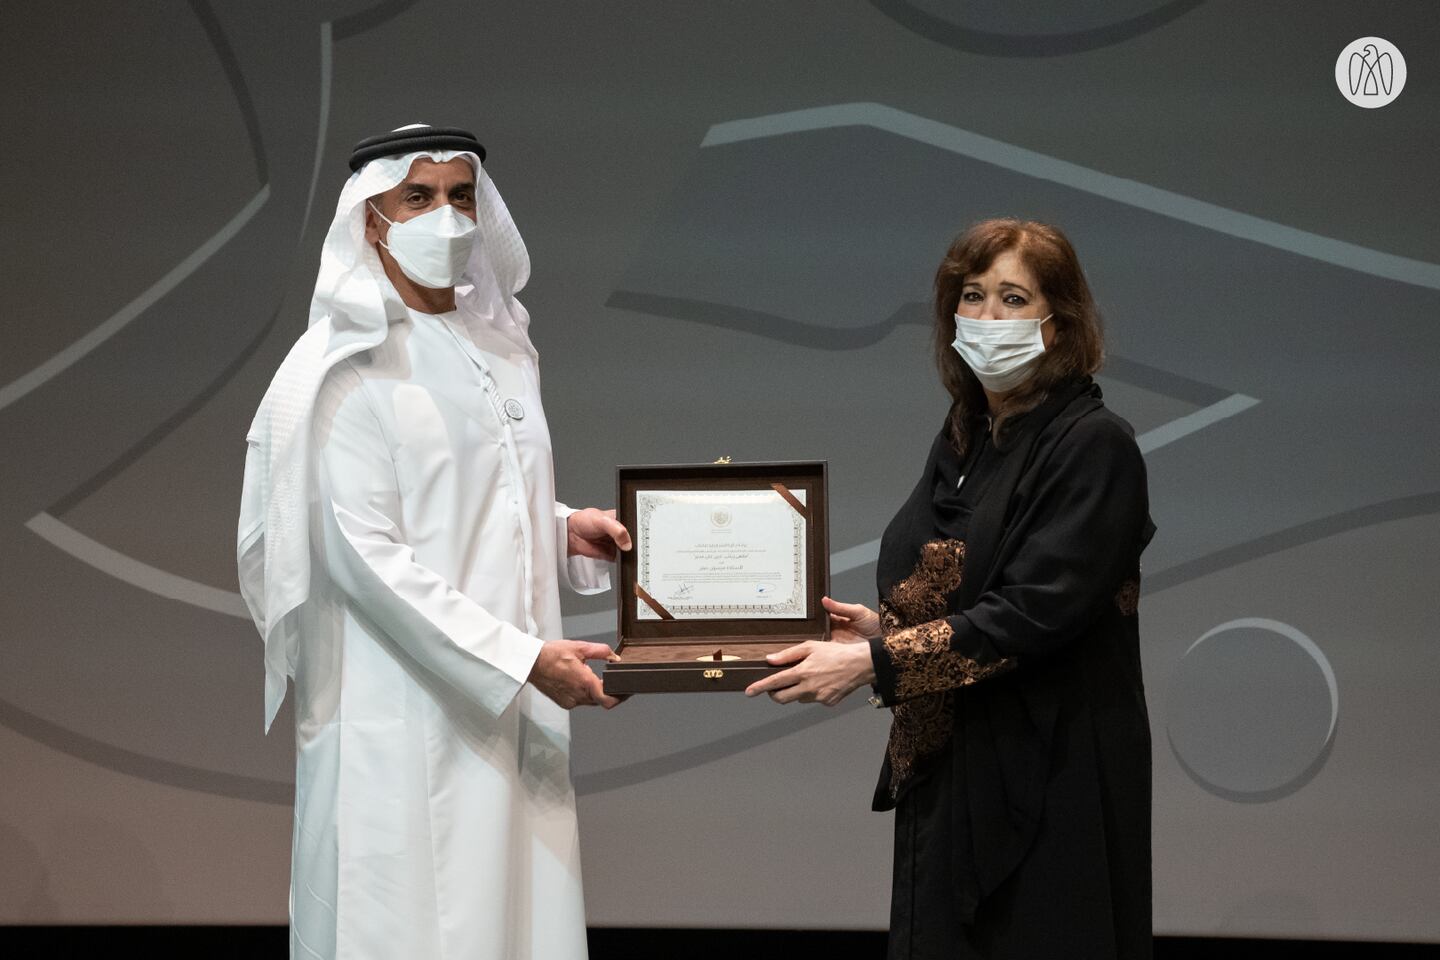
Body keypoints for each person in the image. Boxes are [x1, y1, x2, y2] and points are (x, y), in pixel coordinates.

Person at [237, 124, 630, 959]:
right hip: (402, 708)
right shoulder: (340, 369)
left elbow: (477, 498)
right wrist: (522, 658)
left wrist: (568, 533)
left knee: (521, 919)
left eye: (460, 196)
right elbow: (363, 556)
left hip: (512, 707)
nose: (445, 217)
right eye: (419, 197)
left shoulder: (503, 346)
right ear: (371, 219)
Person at [747, 219, 1156, 959]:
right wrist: (882, 634)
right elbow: (959, 588)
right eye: (973, 296)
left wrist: (879, 666)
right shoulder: (966, 439)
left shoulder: (1095, 445)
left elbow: (1032, 612)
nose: (988, 318)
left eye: (1013, 298)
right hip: (954, 772)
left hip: (1049, 778)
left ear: (1058, 324)